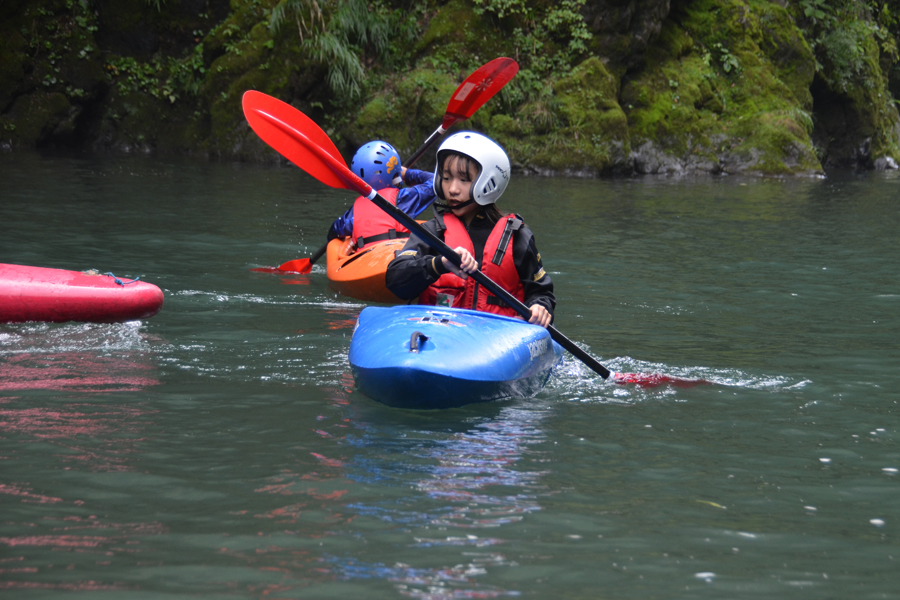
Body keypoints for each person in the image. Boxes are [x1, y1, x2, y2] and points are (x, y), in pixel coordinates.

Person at [385, 132, 554, 328]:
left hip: (498, 339)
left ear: (489, 183)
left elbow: (542, 293)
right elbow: (395, 281)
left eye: (464, 180)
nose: (452, 189)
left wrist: (540, 307)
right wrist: (440, 263)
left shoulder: (516, 236)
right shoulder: (431, 232)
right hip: (437, 336)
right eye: (446, 178)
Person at [327, 140, 436, 251]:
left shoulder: (354, 212)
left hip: (364, 262)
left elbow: (335, 230)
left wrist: (351, 240)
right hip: (396, 259)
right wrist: (407, 174)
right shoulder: (402, 199)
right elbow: (435, 182)